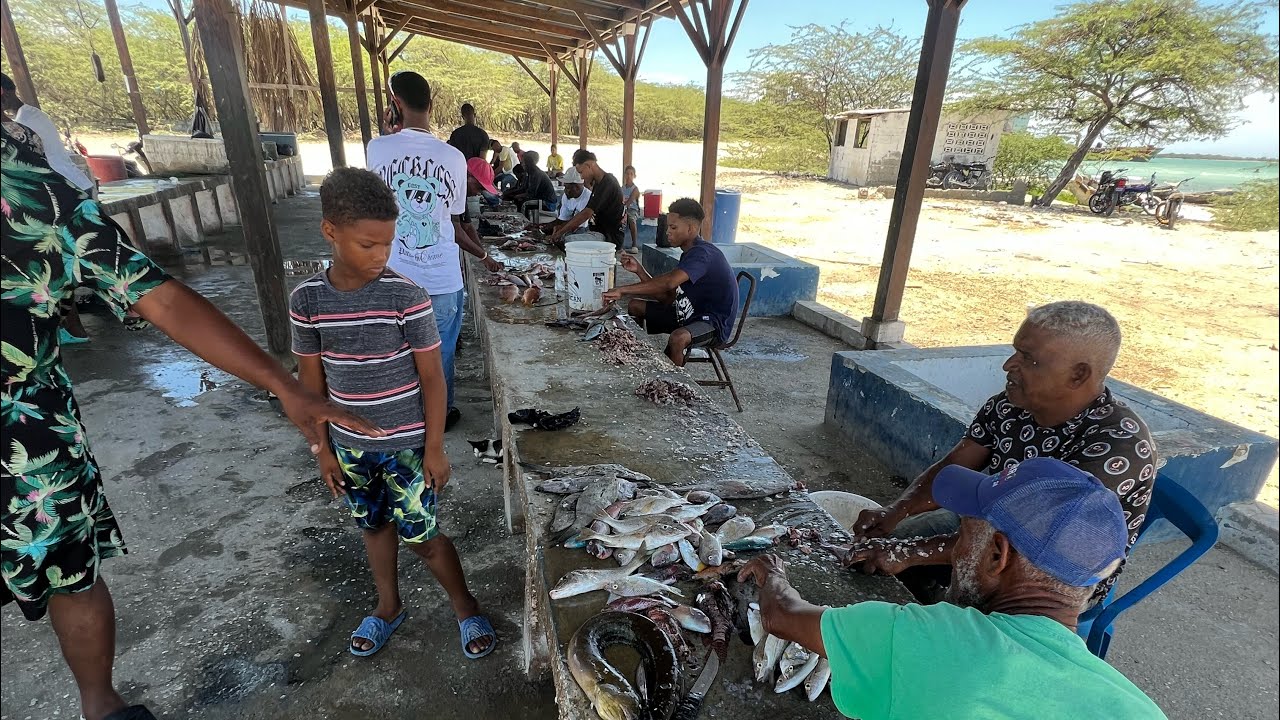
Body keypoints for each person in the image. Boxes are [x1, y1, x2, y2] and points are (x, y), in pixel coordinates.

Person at [1, 125, 381, 720]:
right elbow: (164, 299)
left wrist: (284, 386)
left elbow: (162, 298)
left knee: (70, 573)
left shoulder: (30, 187)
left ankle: (101, 704)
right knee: (71, 576)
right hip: (28, 426)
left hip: (24, 434)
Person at [738, 457, 1167, 720]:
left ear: (998, 556)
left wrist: (772, 572)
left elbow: (781, 617)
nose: (957, 549)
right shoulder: (1141, 710)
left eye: (964, 534)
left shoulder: (926, 639)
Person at [290, 167, 497, 661]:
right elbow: (311, 385)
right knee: (374, 527)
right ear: (330, 232)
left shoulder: (406, 295)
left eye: (388, 244)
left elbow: (432, 378)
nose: (381, 256)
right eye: (368, 245)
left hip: (405, 446)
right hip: (348, 447)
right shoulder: (308, 300)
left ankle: (465, 606)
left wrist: (433, 448)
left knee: (423, 536)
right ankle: (388, 606)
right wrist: (322, 449)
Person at [847, 301, 1156, 606]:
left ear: (1078, 375)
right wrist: (895, 512)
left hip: (1051, 573)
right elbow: (955, 464)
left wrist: (911, 553)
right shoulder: (1010, 405)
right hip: (986, 524)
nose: (1008, 365)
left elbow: (1034, 547)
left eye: (1028, 359)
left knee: (921, 589)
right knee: (875, 558)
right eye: (1015, 352)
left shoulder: (1117, 449)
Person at [366, 71, 503, 433]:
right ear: (432, 105)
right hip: (442, 274)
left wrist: (388, 128)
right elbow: (453, 220)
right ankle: (438, 416)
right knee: (439, 350)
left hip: (394, 274)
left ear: (395, 104)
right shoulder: (454, 157)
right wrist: (483, 256)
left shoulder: (377, 148)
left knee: (395, 347)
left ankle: (402, 414)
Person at [3, 72, 96, 345]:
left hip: (51, 198)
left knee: (55, 266)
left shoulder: (18, 128)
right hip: (69, 189)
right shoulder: (31, 117)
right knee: (66, 263)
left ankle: (71, 329)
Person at [601, 198, 737, 366]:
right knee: (635, 305)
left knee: (678, 338)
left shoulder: (703, 255)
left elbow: (669, 282)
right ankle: (633, 354)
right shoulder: (688, 255)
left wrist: (623, 290)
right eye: (668, 226)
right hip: (688, 315)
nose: (667, 232)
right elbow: (668, 298)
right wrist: (640, 271)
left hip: (712, 323)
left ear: (691, 229)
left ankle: (675, 386)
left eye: (673, 227)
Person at [550, 148, 625, 248]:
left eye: (581, 172)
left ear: (588, 165)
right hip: (596, 232)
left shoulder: (608, 183)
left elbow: (586, 213)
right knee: (564, 236)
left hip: (609, 237)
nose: (581, 177)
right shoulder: (598, 184)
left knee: (566, 241)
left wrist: (561, 231)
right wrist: (561, 228)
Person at [541, 165, 591, 238]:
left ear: (577, 186)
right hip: (571, 228)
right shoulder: (566, 196)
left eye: (567, 188)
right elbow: (563, 219)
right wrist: (545, 226)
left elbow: (578, 224)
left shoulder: (588, 197)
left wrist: (560, 231)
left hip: (583, 230)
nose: (565, 190)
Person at [621, 165, 641, 254]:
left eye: (631, 174)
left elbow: (629, 202)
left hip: (632, 209)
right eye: (627, 174)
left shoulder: (635, 189)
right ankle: (619, 245)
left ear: (634, 176)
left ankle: (634, 245)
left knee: (631, 220)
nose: (629, 176)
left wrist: (624, 210)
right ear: (624, 175)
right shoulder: (622, 188)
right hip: (623, 208)